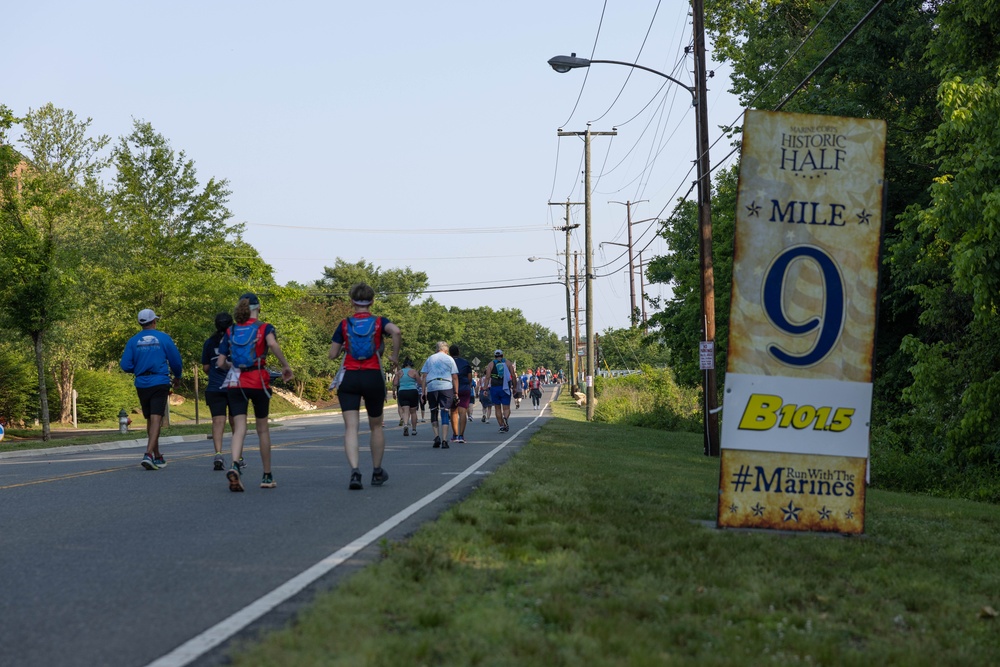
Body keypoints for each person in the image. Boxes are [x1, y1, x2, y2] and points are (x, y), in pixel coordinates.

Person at [217, 293, 293, 492]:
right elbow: (273, 344)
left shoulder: (230, 330)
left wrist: (233, 365)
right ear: (257, 308)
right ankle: (267, 476)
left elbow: (220, 363)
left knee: (239, 427)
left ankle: (234, 464)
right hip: (258, 381)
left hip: (236, 384)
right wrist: (285, 366)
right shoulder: (264, 327)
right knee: (262, 429)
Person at [329, 283, 401, 490]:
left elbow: (332, 355)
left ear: (352, 301)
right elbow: (396, 331)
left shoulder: (344, 324)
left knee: (351, 427)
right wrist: (394, 355)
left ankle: (355, 472)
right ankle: (377, 471)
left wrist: (344, 348)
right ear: (372, 301)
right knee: (376, 426)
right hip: (372, 377)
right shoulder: (379, 322)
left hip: (350, 377)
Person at [120, 308, 183, 470]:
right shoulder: (163, 338)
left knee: (150, 419)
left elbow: (125, 365)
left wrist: (139, 368)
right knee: (156, 419)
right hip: (160, 380)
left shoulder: (133, 341)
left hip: (142, 383)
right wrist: (177, 376)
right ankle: (148, 454)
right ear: (154, 322)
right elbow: (175, 360)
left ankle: (157, 456)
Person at [201, 312, 237, 470]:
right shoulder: (237, 341)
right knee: (236, 421)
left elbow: (206, 367)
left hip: (215, 387)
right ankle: (238, 456)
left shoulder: (209, 343)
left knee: (218, 421)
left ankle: (218, 454)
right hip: (235, 386)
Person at [420, 341, 459, 448]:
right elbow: (455, 377)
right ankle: (445, 440)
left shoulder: (430, 358)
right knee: (445, 412)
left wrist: (423, 392)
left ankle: (437, 436)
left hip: (432, 386)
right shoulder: (449, 359)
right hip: (446, 386)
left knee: (433, 411)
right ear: (446, 350)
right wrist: (456, 392)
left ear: (437, 349)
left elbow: (424, 376)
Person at [483, 349, 516, 433]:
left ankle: (501, 426)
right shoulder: (508, 363)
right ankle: (505, 418)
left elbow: (487, 377)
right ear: (502, 355)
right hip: (505, 387)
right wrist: (514, 387)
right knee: (506, 407)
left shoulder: (491, 364)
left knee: (497, 408)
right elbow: (513, 375)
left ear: (495, 356)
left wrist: (485, 388)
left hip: (495, 388)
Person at [448, 344, 473, 443]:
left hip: (452, 389)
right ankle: (461, 436)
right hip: (464, 388)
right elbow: (470, 378)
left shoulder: (448, 362)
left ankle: (455, 435)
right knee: (463, 412)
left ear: (450, 352)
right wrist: (468, 385)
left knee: (453, 411)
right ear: (458, 352)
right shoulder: (465, 362)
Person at [393, 357, 420, 437]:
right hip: (412, 391)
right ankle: (414, 429)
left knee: (405, 411)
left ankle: (405, 425)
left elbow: (395, 383)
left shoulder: (399, 372)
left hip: (402, 392)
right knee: (413, 412)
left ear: (404, 364)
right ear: (411, 364)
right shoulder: (414, 372)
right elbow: (419, 382)